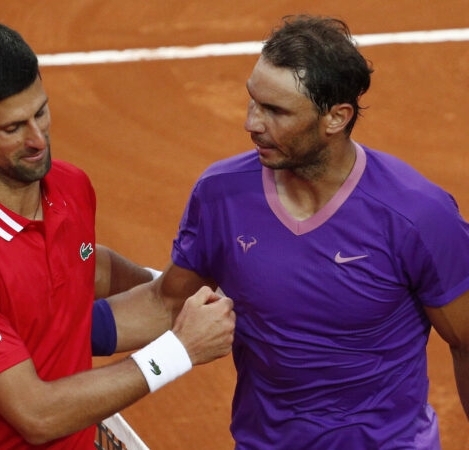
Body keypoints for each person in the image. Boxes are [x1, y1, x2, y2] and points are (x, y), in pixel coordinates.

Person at [0, 19, 235, 449]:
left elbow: (86, 268)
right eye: (12, 127)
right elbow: (36, 414)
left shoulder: (70, 188)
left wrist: (179, 290)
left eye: (40, 111)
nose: (38, 139)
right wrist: (179, 351)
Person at [145, 14, 469, 449]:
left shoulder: (418, 214)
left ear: (336, 118)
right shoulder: (220, 194)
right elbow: (166, 302)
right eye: (253, 101)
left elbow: (466, 339)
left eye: (275, 111)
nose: (252, 123)